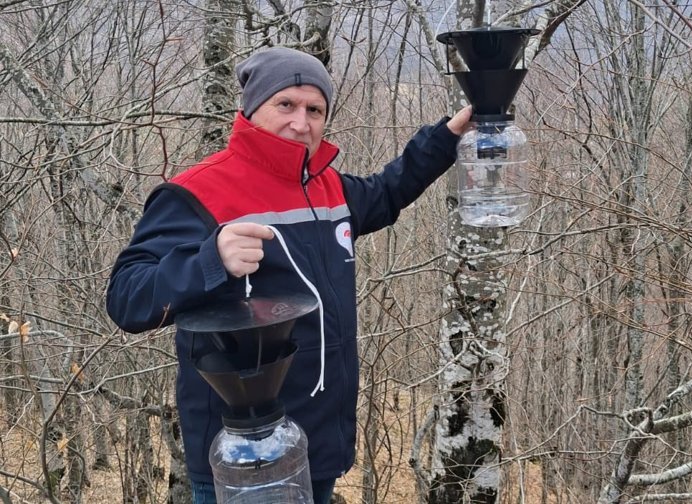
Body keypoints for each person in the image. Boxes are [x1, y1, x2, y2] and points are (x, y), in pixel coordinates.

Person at [105, 46, 472, 504]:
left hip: (317, 441)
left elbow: (386, 191)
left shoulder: (328, 187)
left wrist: (445, 139)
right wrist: (208, 259)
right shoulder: (196, 192)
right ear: (252, 109)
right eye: (286, 105)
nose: (301, 123)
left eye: (314, 109)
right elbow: (126, 297)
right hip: (243, 456)